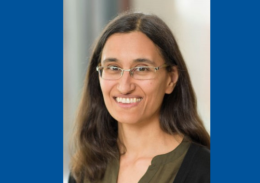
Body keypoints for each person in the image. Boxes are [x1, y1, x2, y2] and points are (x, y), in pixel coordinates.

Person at [69, 12, 210, 183]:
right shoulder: (85, 168)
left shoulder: (205, 170)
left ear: (171, 79)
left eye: (142, 69)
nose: (124, 86)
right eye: (113, 67)